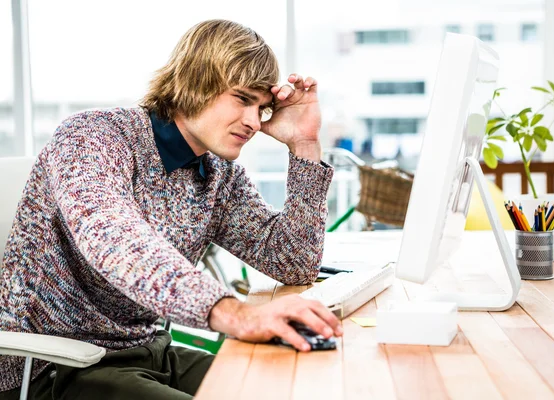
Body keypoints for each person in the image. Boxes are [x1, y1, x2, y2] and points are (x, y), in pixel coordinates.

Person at [0, 19, 342, 399]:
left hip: (149, 353)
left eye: (261, 108)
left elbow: (292, 261)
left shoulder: (218, 174)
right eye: (242, 99)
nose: (253, 122)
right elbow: (114, 240)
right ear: (196, 81)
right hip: (52, 367)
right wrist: (235, 313)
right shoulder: (91, 136)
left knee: (286, 388)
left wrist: (305, 145)